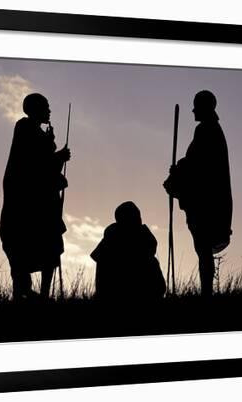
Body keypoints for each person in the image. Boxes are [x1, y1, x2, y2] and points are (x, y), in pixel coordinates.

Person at [0, 93, 71, 301]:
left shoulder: (37, 133)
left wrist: (55, 154)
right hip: (28, 204)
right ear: (35, 109)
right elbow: (33, 165)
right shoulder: (25, 128)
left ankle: (43, 295)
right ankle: (24, 292)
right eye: (46, 107)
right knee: (28, 246)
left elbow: (44, 167)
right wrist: (56, 155)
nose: (49, 111)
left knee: (49, 248)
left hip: (42, 202)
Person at [163, 90, 233, 297]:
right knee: (202, 250)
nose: (193, 110)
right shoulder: (211, 129)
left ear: (204, 107)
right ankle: (206, 293)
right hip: (210, 199)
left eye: (196, 105)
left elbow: (200, 165)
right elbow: (195, 162)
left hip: (206, 201)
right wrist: (181, 169)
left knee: (203, 250)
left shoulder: (206, 130)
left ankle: (206, 294)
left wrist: (179, 170)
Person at [90, 201, 166, 303]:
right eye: (136, 217)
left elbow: (159, 288)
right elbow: (160, 288)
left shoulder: (108, 244)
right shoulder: (112, 244)